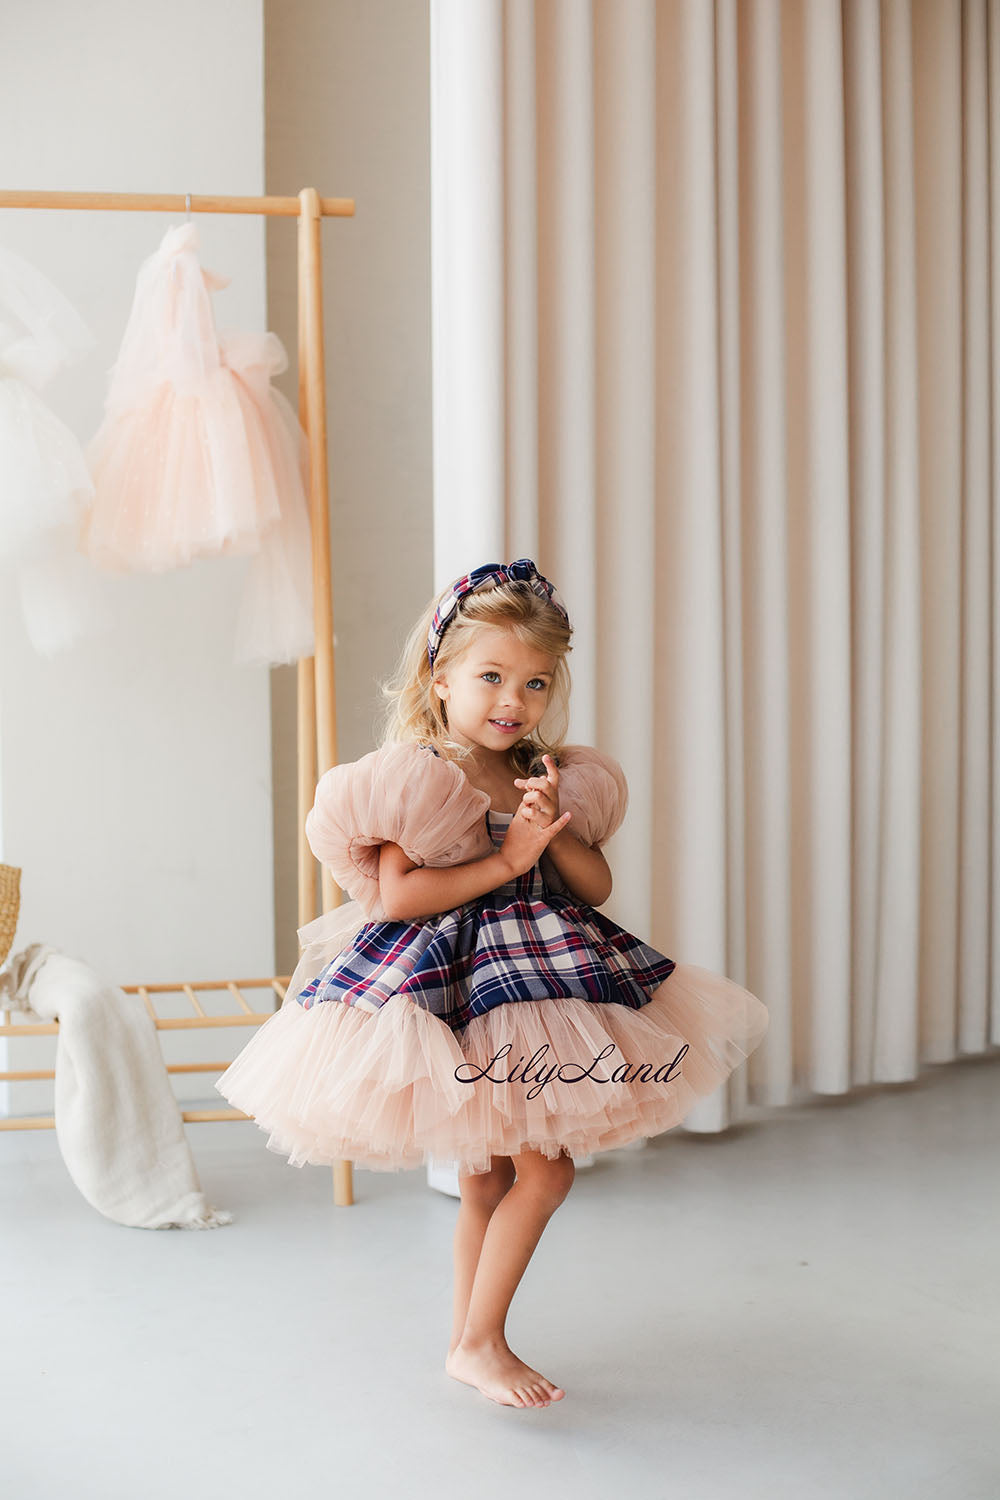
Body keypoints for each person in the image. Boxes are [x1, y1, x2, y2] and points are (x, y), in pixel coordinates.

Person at [216, 557, 769, 1410]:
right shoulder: (422, 775)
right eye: (492, 677)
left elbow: (595, 886)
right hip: (454, 981)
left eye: (536, 682)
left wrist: (549, 833)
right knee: (542, 1174)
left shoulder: (546, 771)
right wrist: (507, 857)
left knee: (490, 1177)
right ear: (440, 680)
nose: (515, 700)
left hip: (536, 979)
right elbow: (397, 893)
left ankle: (467, 1340)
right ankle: (479, 1342)